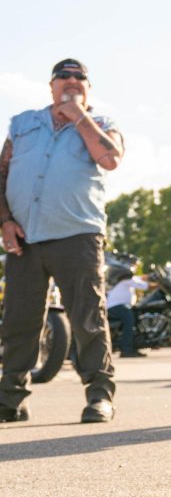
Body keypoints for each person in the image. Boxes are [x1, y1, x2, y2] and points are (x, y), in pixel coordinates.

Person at [0, 58, 123, 423]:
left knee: (87, 319)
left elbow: (111, 158)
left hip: (78, 236)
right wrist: (5, 221)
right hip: (26, 237)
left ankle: (99, 396)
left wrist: (78, 117)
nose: (71, 81)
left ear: (88, 87)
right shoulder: (23, 125)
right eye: (63, 76)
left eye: (79, 77)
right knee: (18, 321)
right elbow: (2, 173)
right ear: (51, 84)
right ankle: (10, 398)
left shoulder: (101, 124)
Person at [106, 270, 148, 358]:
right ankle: (126, 350)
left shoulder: (123, 279)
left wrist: (147, 277)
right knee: (129, 322)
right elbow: (144, 286)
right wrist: (158, 285)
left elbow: (139, 279)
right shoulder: (127, 279)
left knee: (135, 317)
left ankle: (134, 347)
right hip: (117, 307)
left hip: (118, 306)